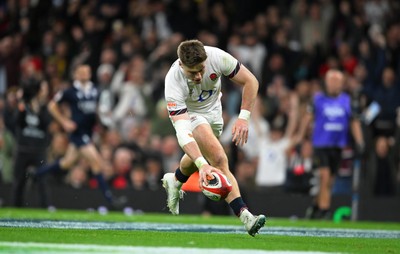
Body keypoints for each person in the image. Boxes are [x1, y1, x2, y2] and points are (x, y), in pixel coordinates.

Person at [162, 39, 266, 236]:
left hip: (215, 113)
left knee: (202, 156)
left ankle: (175, 179)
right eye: (193, 72)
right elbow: (184, 134)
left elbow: (251, 81)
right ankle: (245, 216)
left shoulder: (217, 57)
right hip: (191, 114)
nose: (199, 76)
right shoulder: (173, 82)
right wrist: (203, 165)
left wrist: (243, 117)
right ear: (181, 64)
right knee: (218, 159)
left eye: (201, 69)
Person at [34, 65, 123, 208]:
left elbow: (98, 110)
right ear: (75, 74)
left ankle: (36, 174)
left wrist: (103, 122)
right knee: (96, 161)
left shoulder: (95, 90)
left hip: (88, 132)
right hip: (77, 133)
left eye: (87, 72)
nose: (84, 74)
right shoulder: (70, 91)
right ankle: (110, 199)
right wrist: (64, 121)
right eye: (81, 72)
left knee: (66, 163)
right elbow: (52, 106)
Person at [298, 69, 364, 219]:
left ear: (341, 84)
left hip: (338, 145)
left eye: (337, 82)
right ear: (326, 83)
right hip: (321, 144)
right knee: (324, 176)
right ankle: (325, 210)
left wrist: (360, 140)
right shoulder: (318, 99)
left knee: (330, 180)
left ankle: (316, 205)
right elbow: (307, 118)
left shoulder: (347, 100)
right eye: (331, 81)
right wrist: (301, 138)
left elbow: (354, 122)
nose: (334, 84)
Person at [12, 79, 50, 207]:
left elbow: (46, 124)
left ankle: (44, 208)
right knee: (19, 181)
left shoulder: (44, 107)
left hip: (39, 150)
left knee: (42, 181)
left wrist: (39, 109)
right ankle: (16, 207)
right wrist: (22, 107)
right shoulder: (23, 105)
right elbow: (17, 122)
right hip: (23, 148)